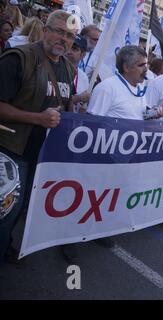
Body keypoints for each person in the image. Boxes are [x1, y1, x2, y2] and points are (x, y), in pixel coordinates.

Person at [0, 10, 78, 264]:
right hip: (12, 150)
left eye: (69, 35)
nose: (63, 39)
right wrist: (38, 119)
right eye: (58, 31)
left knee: (21, 209)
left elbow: (61, 105)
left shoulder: (67, 66)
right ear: (45, 30)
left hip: (43, 156)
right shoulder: (19, 58)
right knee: (6, 212)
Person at [87, 45, 148, 120]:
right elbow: (91, 123)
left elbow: (138, 117)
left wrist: (151, 115)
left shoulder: (140, 89)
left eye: (146, 65)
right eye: (141, 65)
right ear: (126, 67)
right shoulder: (107, 88)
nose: (146, 69)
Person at [65, 34, 90, 113]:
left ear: (83, 55)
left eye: (74, 49)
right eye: (68, 46)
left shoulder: (84, 77)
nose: (69, 51)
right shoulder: (53, 69)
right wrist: (78, 98)